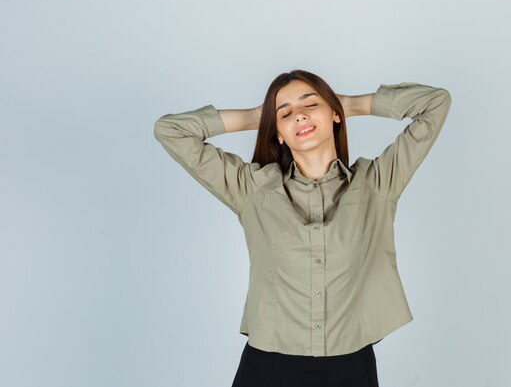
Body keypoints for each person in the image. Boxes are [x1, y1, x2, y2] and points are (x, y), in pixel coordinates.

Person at [153, 69, 452, 386]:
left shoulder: (377, 183)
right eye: (285, 113)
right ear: (277, 133)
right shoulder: (252, 189)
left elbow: (435, 103)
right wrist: (257, 116)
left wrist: (350, 104)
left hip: (350, 366)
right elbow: (169, 131)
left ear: (333, 114)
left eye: (311, 104)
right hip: (268, 366)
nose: (299, 116)